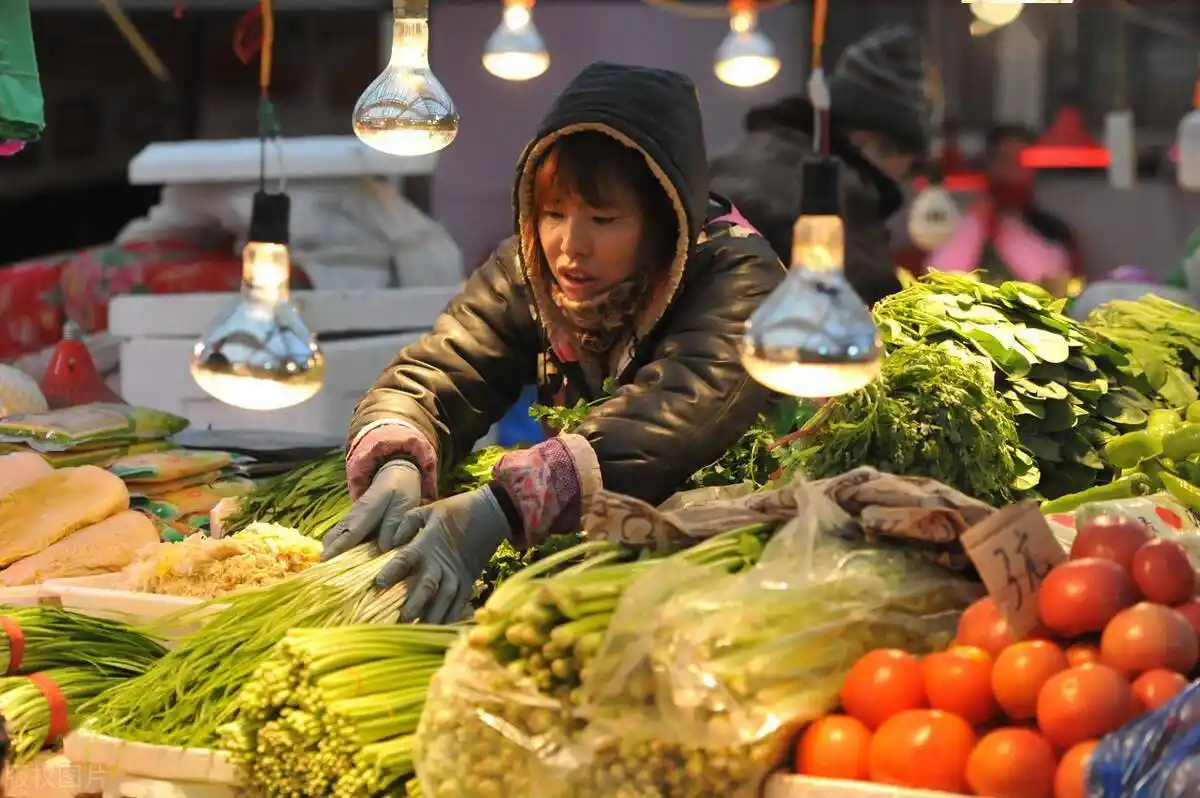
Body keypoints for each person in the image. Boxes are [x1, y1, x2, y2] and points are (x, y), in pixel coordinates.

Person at [321, 62, 785, 623]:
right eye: (552, 214)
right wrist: (398, 452)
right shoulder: (531, 266)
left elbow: (676, 417)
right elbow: (448, 365)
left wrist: (503, 507)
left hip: (728, 572)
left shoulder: (739, 276)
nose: (571, 246)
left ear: (664, 219)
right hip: (587, 562)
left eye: (605, 218)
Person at [709, 24, 933, 307]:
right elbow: (873, 313)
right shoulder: (838, 193)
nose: (905, 179)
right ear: (868, 142)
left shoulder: (739, 158)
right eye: (912, 167)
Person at [929, 124, 1084, 291]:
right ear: (990, 164)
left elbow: (1058, 289)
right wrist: (980, 221)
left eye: (1022, 161)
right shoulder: (956, 226)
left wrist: (1007, 232)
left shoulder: (1055, 232)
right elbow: (940, 278)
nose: (1014, 169)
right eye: (1006, 159)